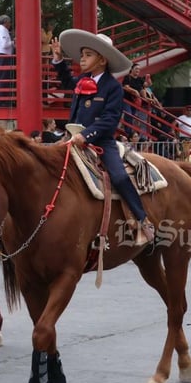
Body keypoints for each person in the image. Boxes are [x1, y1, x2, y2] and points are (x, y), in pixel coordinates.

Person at [50, 29, 155, 246]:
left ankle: (143, 220)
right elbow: (67, 81)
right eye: (82, 54)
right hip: (73, 138)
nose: (82, 58)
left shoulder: (113, 87)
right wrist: (58, 60)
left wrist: (86, 136)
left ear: (102, 60)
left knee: (118, 177)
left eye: (88, 54)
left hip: (101, 141)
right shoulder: (82, 80)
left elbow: (110, 120)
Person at [0, 14, 15, 107]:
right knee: (3, 79)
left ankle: (3, 101)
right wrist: (14, 42)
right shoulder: (3, 30)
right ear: (5, 22)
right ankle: (2, 102)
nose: (10, 24)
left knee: (2, 79)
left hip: (0, 56)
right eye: (9, 22)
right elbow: (4, 44)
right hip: (3, 57)